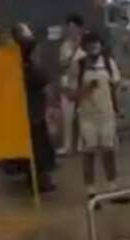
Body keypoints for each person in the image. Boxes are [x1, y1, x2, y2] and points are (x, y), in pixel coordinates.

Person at [74, 31, 129, 203]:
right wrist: (86, 89)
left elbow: (115, 86)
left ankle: (113, 188)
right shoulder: (78, 66)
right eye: (90, 45)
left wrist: (118, 108)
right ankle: (91, 192)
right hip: (87, 117)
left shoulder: (108, 63)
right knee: (89, 153)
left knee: (109, 152)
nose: (93, 48)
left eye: (96, 44)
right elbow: (70, 94)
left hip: (107, 115)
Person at [15, 24, 56, 193]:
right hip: (37, 115)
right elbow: (48, 91)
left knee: (31, 150)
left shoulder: (17, 70)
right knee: (41, 150)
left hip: (23, 115)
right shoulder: (35, 70)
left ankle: (31, 178)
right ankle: (42, 182)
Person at [58, 15, 86, 155]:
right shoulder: (65, 45)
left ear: (80, 28)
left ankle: (82, 145)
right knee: (67, 117)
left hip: (82, 84)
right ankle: (67, 146)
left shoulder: (87, 43)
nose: (71, 31)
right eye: (69, 28)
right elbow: (62, 64)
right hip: (68, 84)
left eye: (74, 28)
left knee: (82, 116)